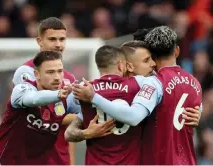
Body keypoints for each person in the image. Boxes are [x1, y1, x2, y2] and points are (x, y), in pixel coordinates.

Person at [72, 26, 202, 165]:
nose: (151, 65)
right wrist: (86, 133)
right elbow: (195, 109)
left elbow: (133, 117)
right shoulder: (194, 82)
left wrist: (93, 98)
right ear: (176, 51)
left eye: (148, 59)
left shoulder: (152, 83)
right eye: (146, 61)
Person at [65, 44, 150, 164]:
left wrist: (86, 133)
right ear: (121, 65)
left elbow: (68, 133)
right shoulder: (139, 84)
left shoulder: (84, 89)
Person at [0, 51, 81, 165]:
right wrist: (58, 94)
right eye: (50, 72)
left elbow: (87, 115)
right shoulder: (21, 91)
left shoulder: (67, 99)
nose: (57, 77)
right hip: (5, 162)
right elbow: (34, 99)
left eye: (59, 71)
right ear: (37, 74)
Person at [11, 17, 77, 165]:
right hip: (28, 157)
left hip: (59, 159)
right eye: (52, 39)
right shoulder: (26, 72)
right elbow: (41, 113)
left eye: (62, 39)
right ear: (39, 41)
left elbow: (69, 128)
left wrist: (71, 162)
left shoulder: (69, 79)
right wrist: (78, 117)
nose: (58, 44)